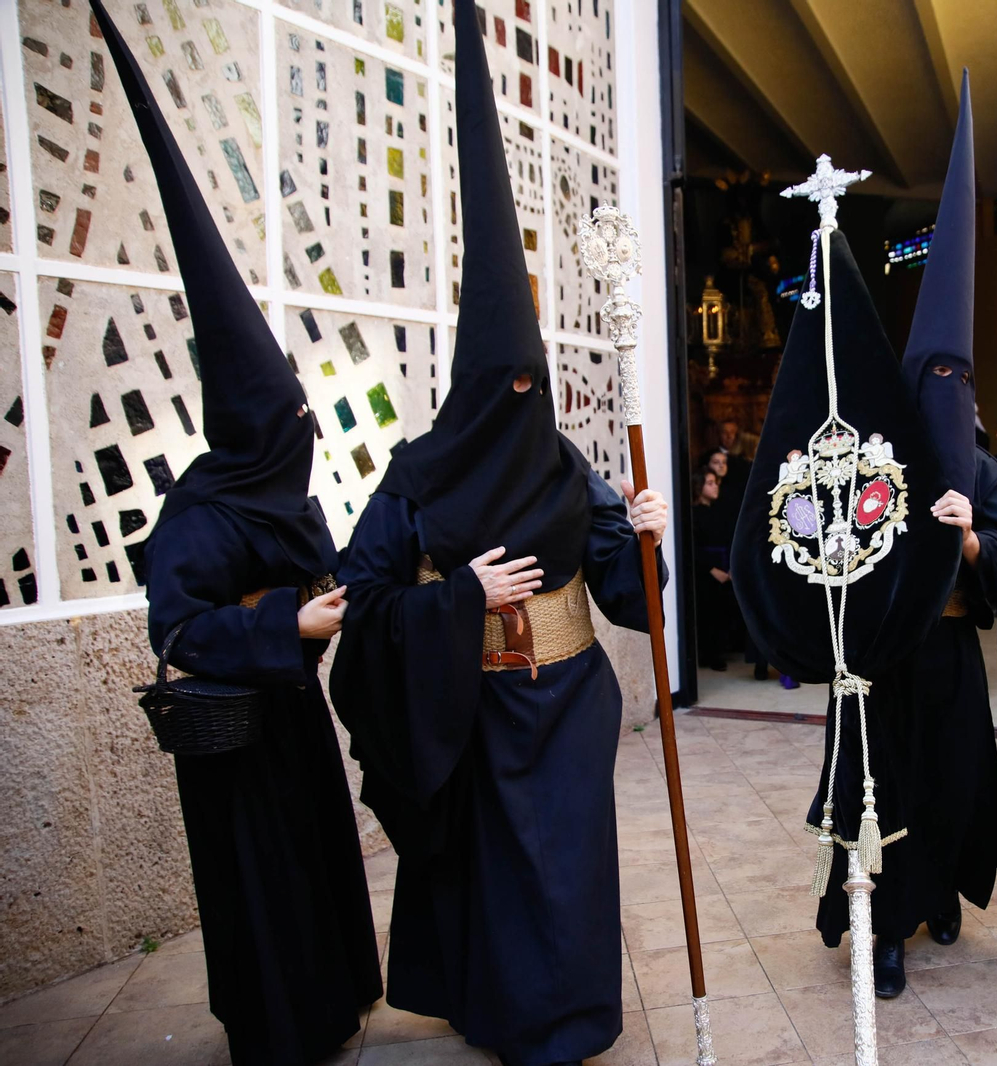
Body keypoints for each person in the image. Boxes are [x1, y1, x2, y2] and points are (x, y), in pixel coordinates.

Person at [327, 5, 667, 1063]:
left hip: (567, 704)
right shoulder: (418, 478)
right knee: (494, 874)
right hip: (469, 708)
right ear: (474, 388)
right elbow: (364, 599)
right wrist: (459, 598)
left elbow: (611, 577)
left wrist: (643, 535)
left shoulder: (563, 464)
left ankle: (569, 1023)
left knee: (566, 873)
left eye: (536, 383)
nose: (524, 397)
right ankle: (501, 1012)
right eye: (505, 384)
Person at [92, 3, 383, 1061]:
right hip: (235, 750)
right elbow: (181, 630)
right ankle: (280, 1031)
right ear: (254, 431)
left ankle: (338, 1001)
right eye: (291, 425)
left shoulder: (279, 496)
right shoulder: (202, 513)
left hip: (293, 727)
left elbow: (313, 574)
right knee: (265, 891)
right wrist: (283, 621)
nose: (303, 438)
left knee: (318, 873)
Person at [807, 73, 997, 998]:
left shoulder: (977, 467)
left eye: (956, 375)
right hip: (885, 668)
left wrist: (975, 540)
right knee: (882, 794)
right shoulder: (870, 459)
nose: (945, 387)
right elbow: (831, 557)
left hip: (950, 664)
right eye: (930, 371)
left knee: (952, 787)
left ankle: (940, 899)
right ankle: (886, 930)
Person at [692, 466, 735, 670]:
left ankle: (723, 649)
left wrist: (730, 568)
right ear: (699, 487)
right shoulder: (694, 514)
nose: (715, 486)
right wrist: (711, 569)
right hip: (706, 570)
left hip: (724, 565)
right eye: (710, 483)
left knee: (723, 612)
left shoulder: (720, 511)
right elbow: (693, 547)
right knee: (708, 613)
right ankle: (710, 655)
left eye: (715, 482)